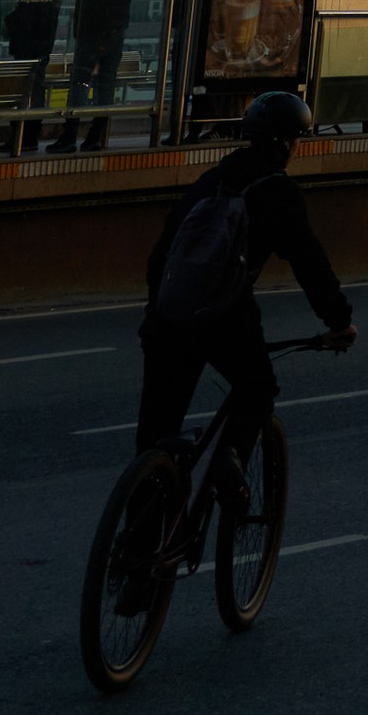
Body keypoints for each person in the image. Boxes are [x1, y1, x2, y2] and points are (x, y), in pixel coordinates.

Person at [135, 86, 354, 465]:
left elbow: (163, 254)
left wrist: (158, 308)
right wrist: (339, 321)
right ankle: (230, 463)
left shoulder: (212, 179)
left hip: (166, 318)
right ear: (288, 143)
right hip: (224, 320)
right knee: (258, 389)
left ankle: (143, 510)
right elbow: (309, 262)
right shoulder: (278, 191)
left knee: (156, 433)